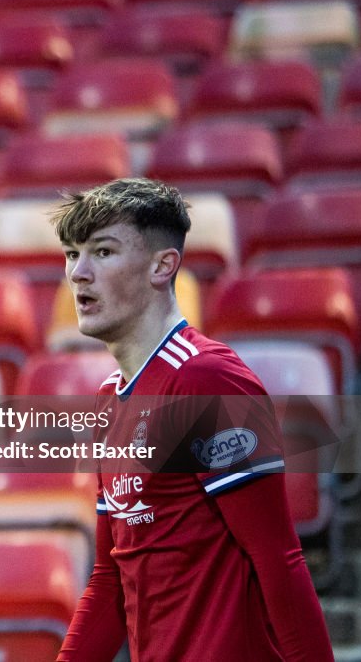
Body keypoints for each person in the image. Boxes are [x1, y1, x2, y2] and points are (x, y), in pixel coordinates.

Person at [50, 178, 333, 661]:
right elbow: (110, 581)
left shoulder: (207, 379)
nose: (78, 273)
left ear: (164, 266)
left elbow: (279, 560)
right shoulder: (108, 401)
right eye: (72, 255)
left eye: (101, 251)